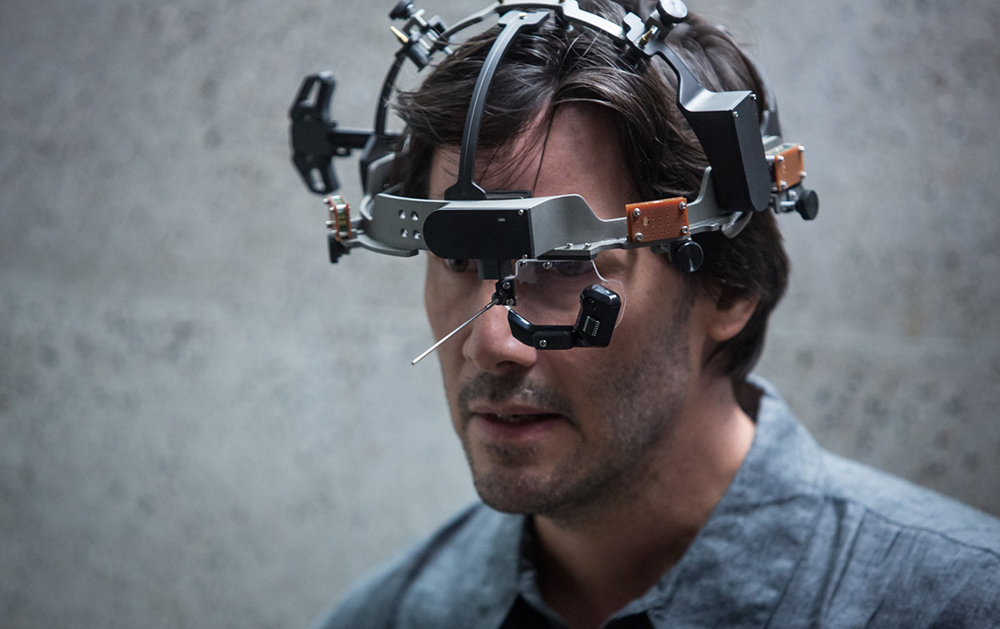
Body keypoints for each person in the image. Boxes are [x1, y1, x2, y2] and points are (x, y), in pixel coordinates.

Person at [312, 1, 1000, 627]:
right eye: (456, 258)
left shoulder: (962, 605)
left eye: (566, 263)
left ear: (727, 288)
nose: (490, 341)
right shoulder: (384, 617)